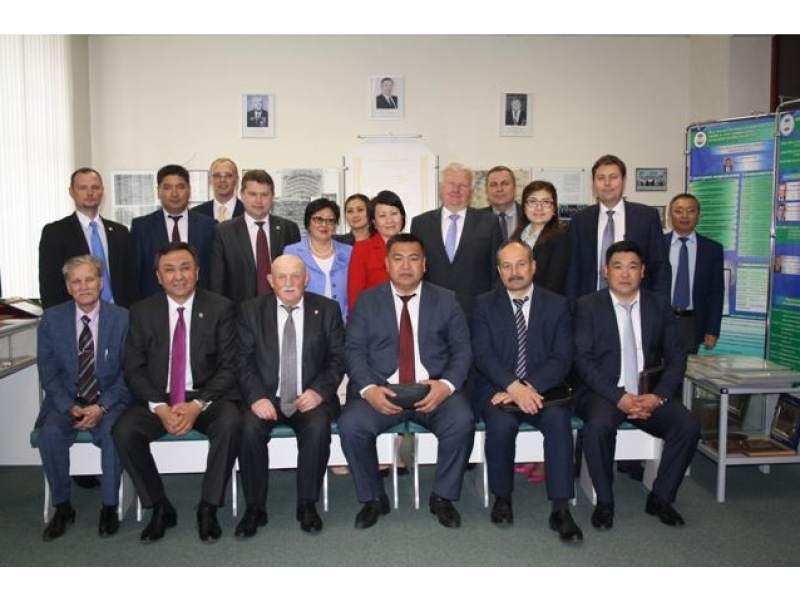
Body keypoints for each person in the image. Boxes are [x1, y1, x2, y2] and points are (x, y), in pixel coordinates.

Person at [338, 233, 474, 529]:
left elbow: (463, 350)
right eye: (398, 259)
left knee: (462, 420)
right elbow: (353, 350)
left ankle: (442, 496)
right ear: (387, 264)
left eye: (414, 259)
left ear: (424, 264)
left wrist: (446, 386)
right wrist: (369, 390)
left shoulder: (446, 300)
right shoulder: (367, 300)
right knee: (351, 426)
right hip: (382, 390)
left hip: (432, 390)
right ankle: (374, 498)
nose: (406, 266)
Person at [113, 242, 240, 543]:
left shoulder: (220, 307)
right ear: (158, 277)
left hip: (206, 396)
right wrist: (160, 407)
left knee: (231, 423)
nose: (178, 276)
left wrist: (197, 405)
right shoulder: (141, 312)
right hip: (159, 398)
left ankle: (208, 506)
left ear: (197, 272)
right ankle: (159, 505)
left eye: (185, 268)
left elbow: (229, 367)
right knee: (124, 431)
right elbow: (133, 370)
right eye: (169, 270)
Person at [573, 240, 699, 530]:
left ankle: (661, 497)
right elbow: (582, 360)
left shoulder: (659, 305)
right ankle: (605, 502)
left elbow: (677, 357)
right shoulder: (587, 306)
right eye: (617, 266)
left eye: (632, 267)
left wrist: (658, 396)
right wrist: (619, 396)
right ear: (605, 271)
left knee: (688, 425)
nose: (625, 273)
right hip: (604, 393)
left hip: (649, 394)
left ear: (643, 271)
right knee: (598, 427)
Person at [472, 241, 582, 542]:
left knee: (558, 422)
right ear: (499, 271)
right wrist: (512, 387)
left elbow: (562, 358)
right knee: (501, 425)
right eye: (506, 266)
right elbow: (483, 355)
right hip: (497, 388)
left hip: (544, 389)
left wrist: (527, 388)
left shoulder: (557, 305)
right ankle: (502, 497)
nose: (514, 272)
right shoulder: (484, 304)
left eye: (521, 264)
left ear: (533, 266)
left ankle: (561, 508)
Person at [236, 256, 345, 536]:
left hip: (309, 396)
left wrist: (318, 392)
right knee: (248, 428)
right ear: (270, 281)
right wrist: (256, 397)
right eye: (281, 277)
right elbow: (242, 361)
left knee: (318, 426)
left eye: (295, 276)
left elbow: (337, 359)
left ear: (306, 279)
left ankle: (307, 504)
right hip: (266, 397)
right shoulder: (250, 310)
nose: (288, 283)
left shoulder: (328, 310)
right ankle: (255, 508)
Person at [36, 255, 130, 541]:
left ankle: (110, 506)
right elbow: (48, 372)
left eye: (90, 279)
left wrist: (100, 407)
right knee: (50, 434)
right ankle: (63, 507)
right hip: (66, 400)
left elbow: (128, 374)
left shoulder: (122, 318)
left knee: (113, 434)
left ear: (101, 283)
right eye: (76, 281)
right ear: (68, 287)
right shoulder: (51, 319)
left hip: (109, 400)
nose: (84, 286)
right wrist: (70, 407)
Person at [565, 155, 669, 300]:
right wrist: (572, 306)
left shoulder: (647, 217)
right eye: (601, 178)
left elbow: (660, 267)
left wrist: (657, 305)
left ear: (624, 181)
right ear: (593, 183)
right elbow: (572, 270)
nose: (607, 183)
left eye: (613, 177)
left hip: (636, 304)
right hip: (590, 304)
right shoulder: (580, 220)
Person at [411, 162, 502, 320]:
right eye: (451, 184)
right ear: (441, 187)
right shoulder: (420, 224)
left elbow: (497, 272)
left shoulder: (489, 223)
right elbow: (416, 269)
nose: (456, 190)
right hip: (431, 312)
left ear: (471, 191)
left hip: (476, 313)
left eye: (463, 185)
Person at [39, 168, 137, 309]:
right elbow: (49, 283)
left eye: (95, 187)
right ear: (71, 192)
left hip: (119, 313)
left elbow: (131, 279)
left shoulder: (120, 232)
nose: (90, 193)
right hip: (76, 314)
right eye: (83, 188)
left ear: (102, 191)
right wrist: (57, 318)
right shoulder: (55, 232)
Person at [209, 169, 300, 303]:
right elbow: (217, 282)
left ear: (272, 197)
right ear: (242, 195)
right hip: (239, 310)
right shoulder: (223, 232)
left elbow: (297, 273)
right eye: (252, 194)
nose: (258, 200)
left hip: (282, 308)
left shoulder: (289, 229)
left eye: (264, 195)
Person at [130, 164, 216, 299]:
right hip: (155, 304)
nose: (174, 194)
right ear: (158, 192)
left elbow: (214, 272)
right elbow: (135, 275)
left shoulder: (209, 225)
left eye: (180, 187)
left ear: (189, 190)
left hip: (201, 303)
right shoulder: (141, 227)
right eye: (167, 187)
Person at [665, 193, 724, 354]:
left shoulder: (712, 249)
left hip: (692, 322)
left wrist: (712, 329)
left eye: (690, 211)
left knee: (688, 367)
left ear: (698, 215)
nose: (684, 216)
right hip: (661, 319)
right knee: (657, 366)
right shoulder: (657, 245)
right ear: (670, 216)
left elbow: (717, 292)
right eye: (678, 211)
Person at [284, 198, 353, 320]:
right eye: (318, 219)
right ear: (308, 223)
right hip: (306, 321)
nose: (324, 225)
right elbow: (287, 290)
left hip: (342, 322)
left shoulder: (349, 252)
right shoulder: (292, 252)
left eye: (330, 220)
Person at [347, 190, 405, 313]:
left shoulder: (414, 246)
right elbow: (355, 296)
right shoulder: (362, 249)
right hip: (375, 318)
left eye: (394, 213)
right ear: (374, 221)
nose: (389, 220)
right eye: (382, 216)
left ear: (402, 216)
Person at [512, 180, 571, 296]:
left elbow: (554, 284)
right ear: (524, 207)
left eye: (545, 202)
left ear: (554, 209)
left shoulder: (560, 239)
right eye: (532, 201)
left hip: (543, 302)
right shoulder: (516, 236)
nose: (539, 207)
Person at [191, 157, 245, 222]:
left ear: (236, 179)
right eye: (217, 176)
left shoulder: (249, 212)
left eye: (228, 175)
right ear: (210, 180)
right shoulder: (195, 213)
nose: (222, 180)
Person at [483, 166, 523, 242]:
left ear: (514, 188)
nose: (499, 189)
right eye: (493, 185)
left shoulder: (529, 216)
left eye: (505, 184)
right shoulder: (477, 220)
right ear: (486, 190)